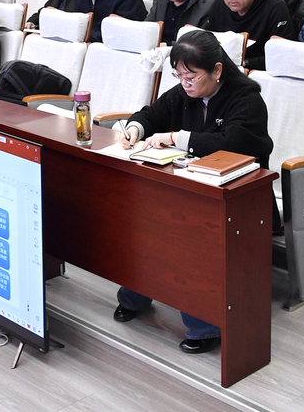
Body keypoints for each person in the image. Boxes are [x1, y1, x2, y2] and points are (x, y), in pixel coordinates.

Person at [114, 29, 273, 355]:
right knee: (143, 222)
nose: (185, 83)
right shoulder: (183, 93)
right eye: (179, 76)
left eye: (192, 76)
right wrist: (135, 128)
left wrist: (176, 138)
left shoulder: (246, 100)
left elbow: (231, 144)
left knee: (186, 235)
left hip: (239, 198)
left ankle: (204, 326)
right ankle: (134, 297)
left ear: (217, 70)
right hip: (189, 188)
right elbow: (151, 113)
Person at [203, 0, 294, 70]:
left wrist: (244, 64)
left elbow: (281, 56)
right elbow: (208, 44)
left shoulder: (276, 9)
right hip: (223, 69)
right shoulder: (219, 5)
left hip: (259, 72)